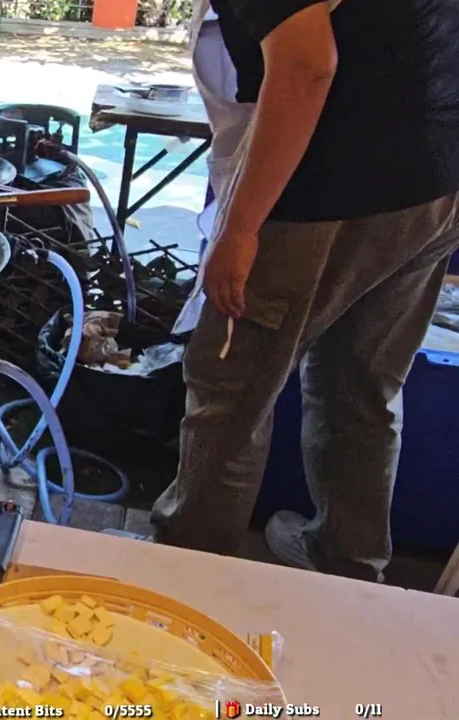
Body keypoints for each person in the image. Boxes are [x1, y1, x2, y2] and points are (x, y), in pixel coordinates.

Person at [153, 0, 459, 582]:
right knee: (360, 383)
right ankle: (348, 564)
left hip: (330, 190)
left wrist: (240, 229)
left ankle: (186, 573)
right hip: (438, 178)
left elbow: (306, 65)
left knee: (231, 387)